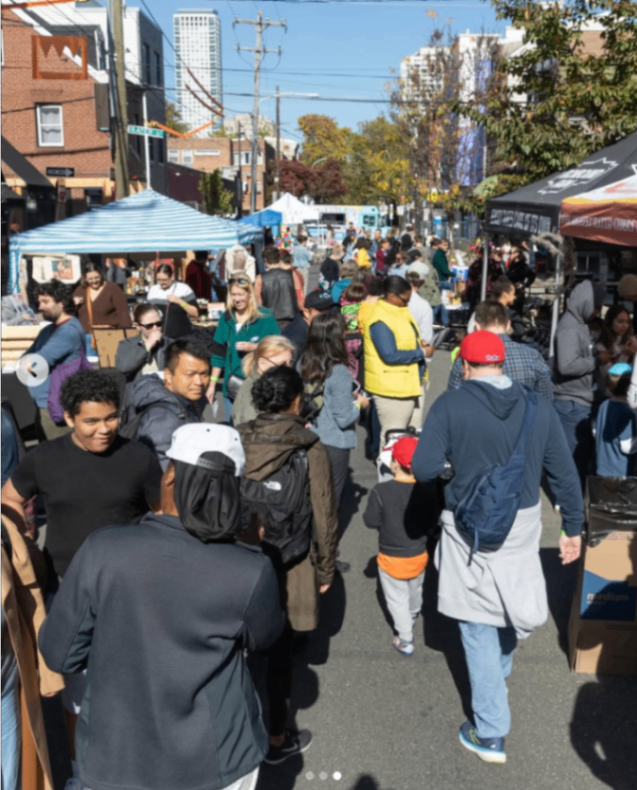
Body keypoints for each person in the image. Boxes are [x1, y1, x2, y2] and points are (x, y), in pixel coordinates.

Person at [39, 423, 285, 790]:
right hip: (217, 759)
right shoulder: (252, 568)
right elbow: (263, 638)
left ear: (170, 478)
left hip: (116, 759)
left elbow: (60, 654)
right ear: (234, 491)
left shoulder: (104, 550)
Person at [413, 330, 583, 765]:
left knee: (475, 622)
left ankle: (490, 732)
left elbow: (426, 466)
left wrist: (455, 464)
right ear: (502, 364)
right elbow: (562, 470)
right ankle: (498, 678)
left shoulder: (451, 405)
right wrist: (573, 527)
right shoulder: (537, 406)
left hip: (467, 526)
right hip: (522, 523)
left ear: (464, 367)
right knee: (507, 603)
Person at [238, 367, 338, 764]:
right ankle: (277, 736)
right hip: (291, 560)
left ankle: (237, 731)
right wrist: (325, 568)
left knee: (235, 647)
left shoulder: (237, 438)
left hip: (240, 555)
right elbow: (324, 513)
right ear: (296, 401)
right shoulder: (310, 446)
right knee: (281, 653)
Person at [2, 512, 64, 790]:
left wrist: (48, 668)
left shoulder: (5, 528)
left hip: (6, 666)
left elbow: (30, 594)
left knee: (10, 757)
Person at [363, 436, 429, 657]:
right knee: (415, 588)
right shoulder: (427, 490)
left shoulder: (381, 492)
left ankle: (405, 639)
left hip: (392, 557)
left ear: (394, 464)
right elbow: (432, 522)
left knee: (396, 598)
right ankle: (413, 614)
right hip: (419, 553)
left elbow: (370, 521)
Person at [301, 310, 368, 515]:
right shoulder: (338, 371)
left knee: (311, 496)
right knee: (329, 502)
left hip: (311, 434)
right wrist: (359, 404)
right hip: (334, 443)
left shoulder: (305, 363)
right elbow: (344, 417)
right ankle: (325, 545)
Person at [553, 280, 606, 484]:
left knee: (580, 456)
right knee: (574, 457)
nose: (598, 312)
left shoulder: (578, 324)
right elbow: (566, 366)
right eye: (598, 307)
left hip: (578, 400)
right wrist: (596, 361)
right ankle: (570, 503)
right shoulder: (569, 327)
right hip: (571, 403)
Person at [362, 276, 425, 446]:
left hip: (408, 382)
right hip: (392, 387)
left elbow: (401, 340)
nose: (408, 303)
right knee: (393, 437)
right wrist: (421, 352)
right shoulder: (379, 319)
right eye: (405, 300)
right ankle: (388, 471)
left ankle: (403, 470)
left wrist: (418, 345)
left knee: (410, 436)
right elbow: (389, 354)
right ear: (392, 297)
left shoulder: (398, 312)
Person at [128, 339, 210, 470]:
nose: (199, 382)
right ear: (168, 374)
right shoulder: (161, 420)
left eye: (204, 374)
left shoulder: (186, 399)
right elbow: (168, 478)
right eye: (190, 374)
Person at [449, 301, 553, 400]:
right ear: (508, 325)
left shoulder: (466, 358)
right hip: (524, 416)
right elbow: (546, 401)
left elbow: (453, 402)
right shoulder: (533, 357)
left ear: (477, 326)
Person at [209, 276, 280, 419]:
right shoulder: (226, 318)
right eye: (233, 295)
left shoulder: (265, 317)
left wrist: (255, 347)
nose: (237, 299)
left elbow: (278, 348)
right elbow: (218, 354)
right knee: (234, 432)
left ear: (249, 294)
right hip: (232, 386)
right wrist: (212, 384)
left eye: (240, 294)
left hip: (259, 385)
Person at [22, 281, 85, 440]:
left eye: (45, 302)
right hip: (43, 405)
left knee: (58, 460)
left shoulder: (67, 332)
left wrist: (28, 365)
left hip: (56, 408)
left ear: (62, 303)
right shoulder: (48, 330)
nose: (40, 307)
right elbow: (23, 360)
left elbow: (32, 364)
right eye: (39, 302)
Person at [232, 335, 295, 427]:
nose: (288, 369)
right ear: (262, 364)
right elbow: (256, 434)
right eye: (283, 364)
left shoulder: (268, 386)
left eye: (290, 363)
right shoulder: (253, 394)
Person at [73, 263, 131, 354]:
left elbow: (123, 313)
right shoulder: (80, 290)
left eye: (97, 277)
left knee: (109, 366)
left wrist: (127, 336)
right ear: (85, 278)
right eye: (90, 279)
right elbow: (70, 315)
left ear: (101, 275)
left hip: (109, 336)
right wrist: (73, 304)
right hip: (88, 338)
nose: (94, 281)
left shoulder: (112, 289)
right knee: (91, 366)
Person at [593, 363, 637, 476]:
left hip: (601, 468)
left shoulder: (603, 405)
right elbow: (627, 447)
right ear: (629, 388)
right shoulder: (627, 413)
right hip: (619, 473)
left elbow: (595, 431)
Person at [115, 303, 172, 383]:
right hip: (138, 392)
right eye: (149, 326)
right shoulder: (127, 344)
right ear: (138, 326)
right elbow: (124, 367)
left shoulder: (169, 344)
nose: (155, 329)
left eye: (159, 324)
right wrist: (147, 345)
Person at [147, 264, 199, 338]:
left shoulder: (184, 289)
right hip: (159, 338)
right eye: (159, 280)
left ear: (172, 277)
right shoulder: (153, 291)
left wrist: (179, 301)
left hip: (182, 337)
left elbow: (195, 313)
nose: (161, 283)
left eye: (164, 280)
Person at [595, 304, 637, 395]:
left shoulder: (628, 342)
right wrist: (626, 355)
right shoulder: (601, 346)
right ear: (610, 322)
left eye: (627, 322)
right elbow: (612, 378)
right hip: (609, 397)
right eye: (620, 321)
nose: (624, 326)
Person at [255, 247, 299, 331]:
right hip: (291, 320)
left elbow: (258, 304)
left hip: (270, 320)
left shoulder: (260, 278)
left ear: (265, 260)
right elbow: (300, 299)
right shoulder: (292, 275)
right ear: (279, 258)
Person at [340, 278, 366, 384]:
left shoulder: (343, 303)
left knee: (349, 368)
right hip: (359, 339)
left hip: (345, 340)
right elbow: (353, 325)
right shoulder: (362, 304)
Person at [405, 263, 434, 351]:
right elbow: (425, 338)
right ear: (424, 281)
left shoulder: (390, 297)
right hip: (412, 351)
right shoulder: (423, 305)